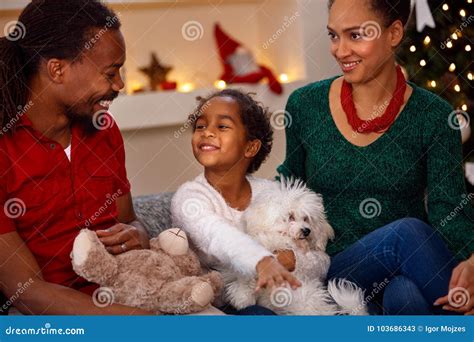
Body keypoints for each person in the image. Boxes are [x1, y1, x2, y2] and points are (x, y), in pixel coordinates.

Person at [277, 0, 474, 315]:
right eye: (333, 36)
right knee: (406, 233)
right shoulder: (305, 106)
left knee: (406, 296)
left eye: (355, 36)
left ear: (394, 33)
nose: (340, 50)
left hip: (405, 271)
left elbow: (448, 209)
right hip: (331, 270)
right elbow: (285, 191)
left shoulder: (434, 116)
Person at [0, 0, 151, 314]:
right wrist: (132, 321)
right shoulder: (5, 150)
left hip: (131, 291)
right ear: (58, 69)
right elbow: (26, 292)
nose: (120, 85)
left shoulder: (105, 130)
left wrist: (139, 233)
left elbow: (128, 220)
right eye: (110, 73)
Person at [171, 89, 301, 315]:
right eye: (200, 126)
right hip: (229, 306)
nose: (207, 132)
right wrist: (263, 260)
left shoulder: (272, 192)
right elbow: (217, 235)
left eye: (222, 126)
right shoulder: (189, 197)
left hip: (289, 295)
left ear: (251, 147)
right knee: (260, 316)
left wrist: (295, 260)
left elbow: (315, 254)